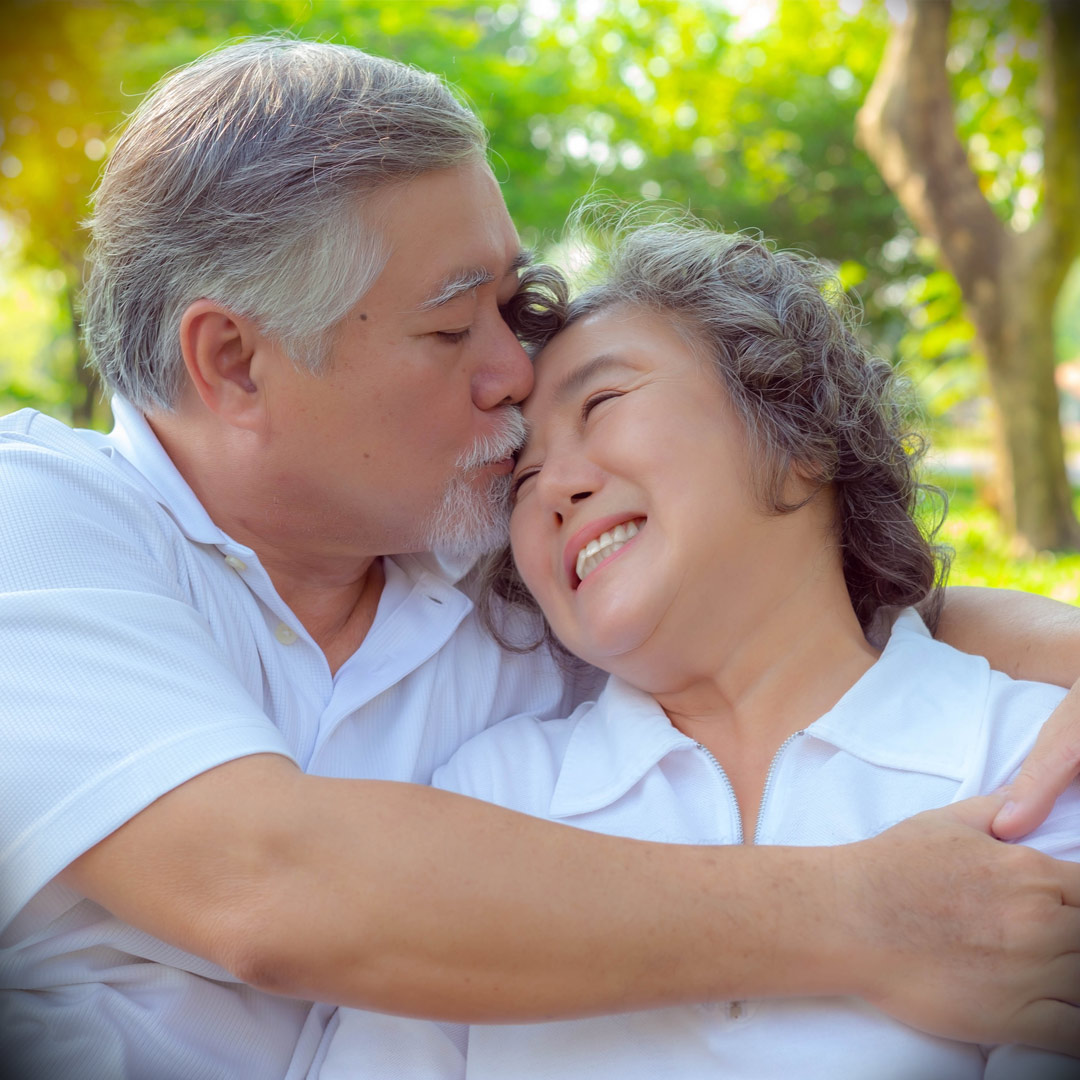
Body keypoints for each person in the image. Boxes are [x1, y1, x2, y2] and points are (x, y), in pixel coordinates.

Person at [0, 35, 1078, 1080]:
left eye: (508, 308)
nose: (514, 374)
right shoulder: (41, 528)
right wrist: (868, 915)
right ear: (233, 360)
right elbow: (263, 885)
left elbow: (770, 598)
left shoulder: (496, 578)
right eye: (447, 327)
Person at [319, 220, 1080, 1079]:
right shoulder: (491, 797)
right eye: (521, 479)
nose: (556, 488)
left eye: (602, 404)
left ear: (799, 437)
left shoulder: (1029, 760)